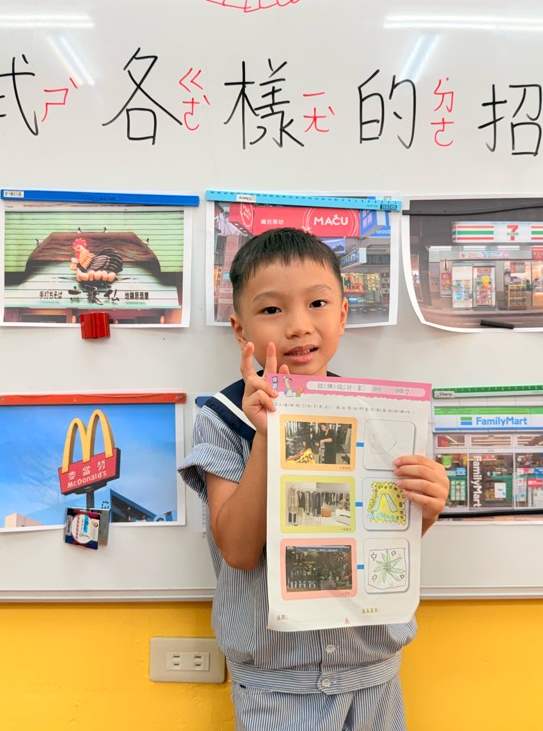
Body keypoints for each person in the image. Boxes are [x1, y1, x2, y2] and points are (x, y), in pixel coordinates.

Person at [178, 228, 449, 730]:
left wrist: (426, 508)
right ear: (240, 329)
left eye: (318, 303)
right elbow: (238, 550)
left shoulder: (377, 414)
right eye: (272, 309)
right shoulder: (224, 417)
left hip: (373, 674)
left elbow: (384, 536)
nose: (299, 326)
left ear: (342, 315)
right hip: (276, 686)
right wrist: (268, 437)